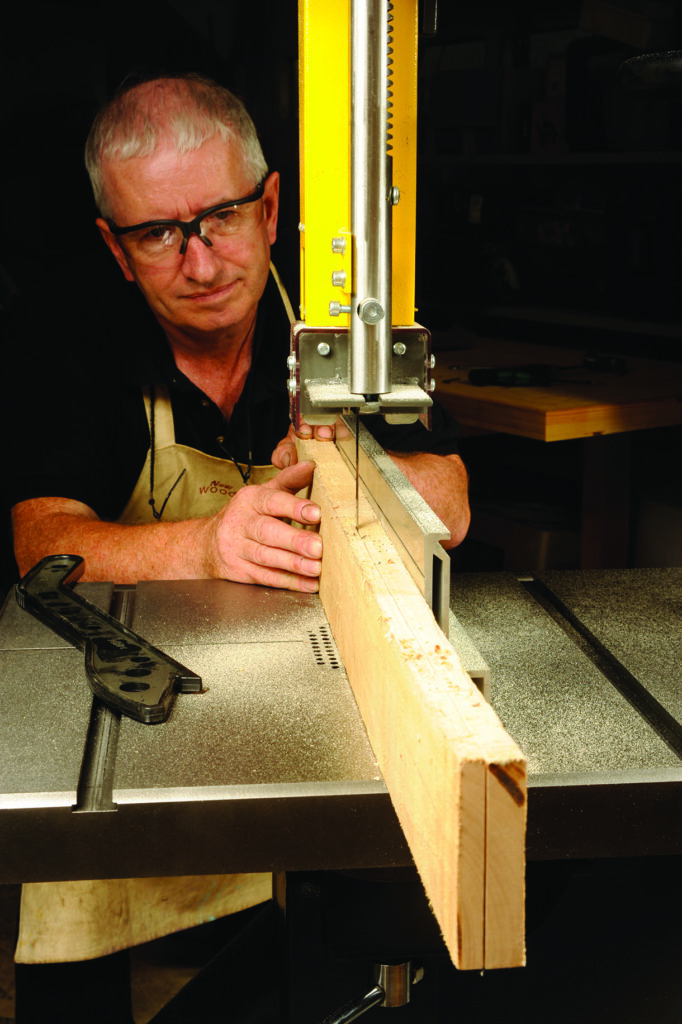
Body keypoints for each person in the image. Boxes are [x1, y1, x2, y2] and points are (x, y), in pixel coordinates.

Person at [6, 72, 469, 1021]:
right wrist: (209, 547)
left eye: (219, 216)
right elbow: (42, 543)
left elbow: (450, 491)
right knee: (74, 927)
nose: (200, 257)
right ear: (116, 248)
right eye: (158, 234)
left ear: (269, 206)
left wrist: (373, 485)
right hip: (127, 715)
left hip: (318, 700)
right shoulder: (64, 334)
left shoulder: (342, 321)